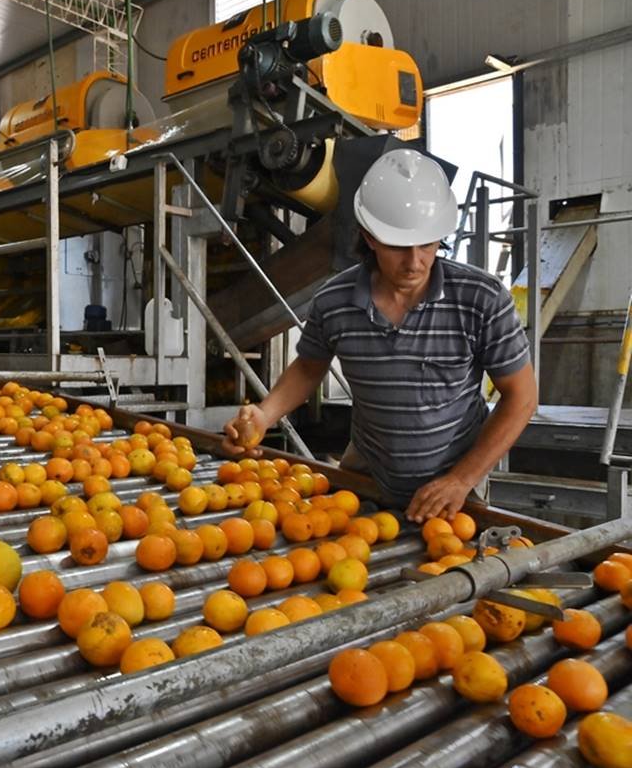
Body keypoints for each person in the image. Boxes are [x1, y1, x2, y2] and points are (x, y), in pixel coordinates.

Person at [224, 149, 537, 524]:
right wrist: (265, 414)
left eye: (427, 244)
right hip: (367, 475)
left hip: (455, 483)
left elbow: (522, 397)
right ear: (369, 237)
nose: (415, 262)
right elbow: (309, 367)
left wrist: (461, 479)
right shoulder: (334, 301)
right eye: (398, 246)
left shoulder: (482, 298)